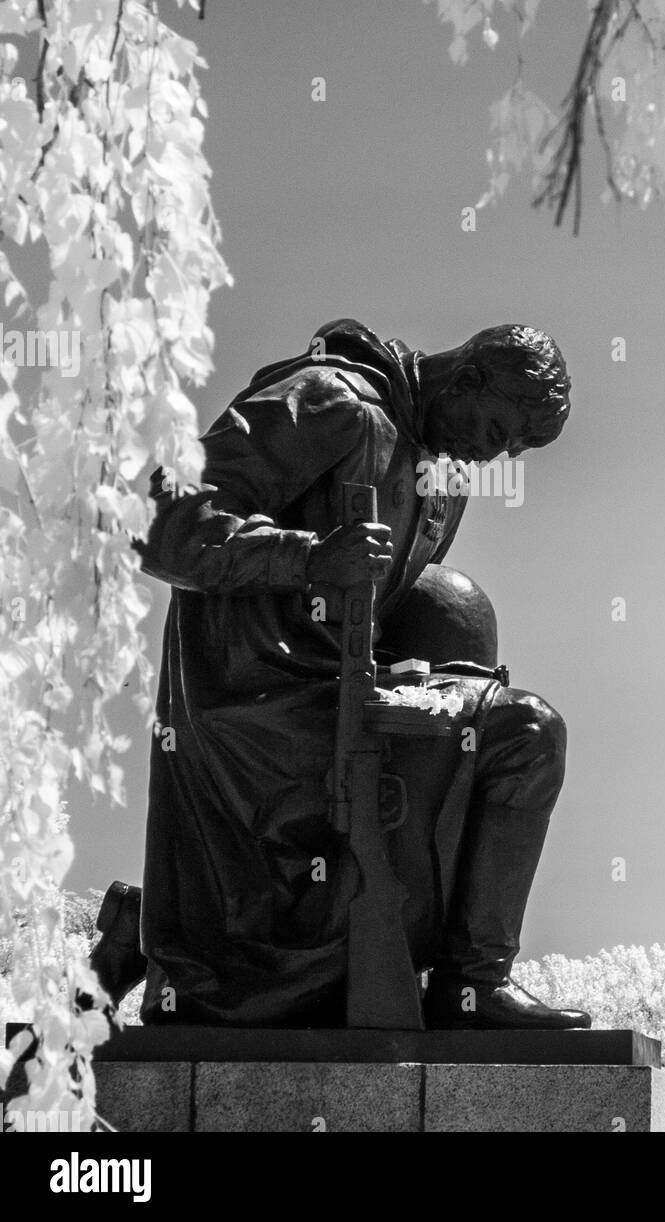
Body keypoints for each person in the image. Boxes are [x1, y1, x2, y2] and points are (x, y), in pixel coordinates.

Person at [110, 318, 590, 1030]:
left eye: (510, 448)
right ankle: (468, 980)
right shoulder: (331, 401)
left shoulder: (439, 484)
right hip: (250, 716)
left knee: (514, 729)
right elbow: (156, 523)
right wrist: (304, 557)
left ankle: (469, 981)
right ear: (467, 378)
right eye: (495, 430)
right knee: (524, 730)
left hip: (342, 697)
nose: (494, 455)